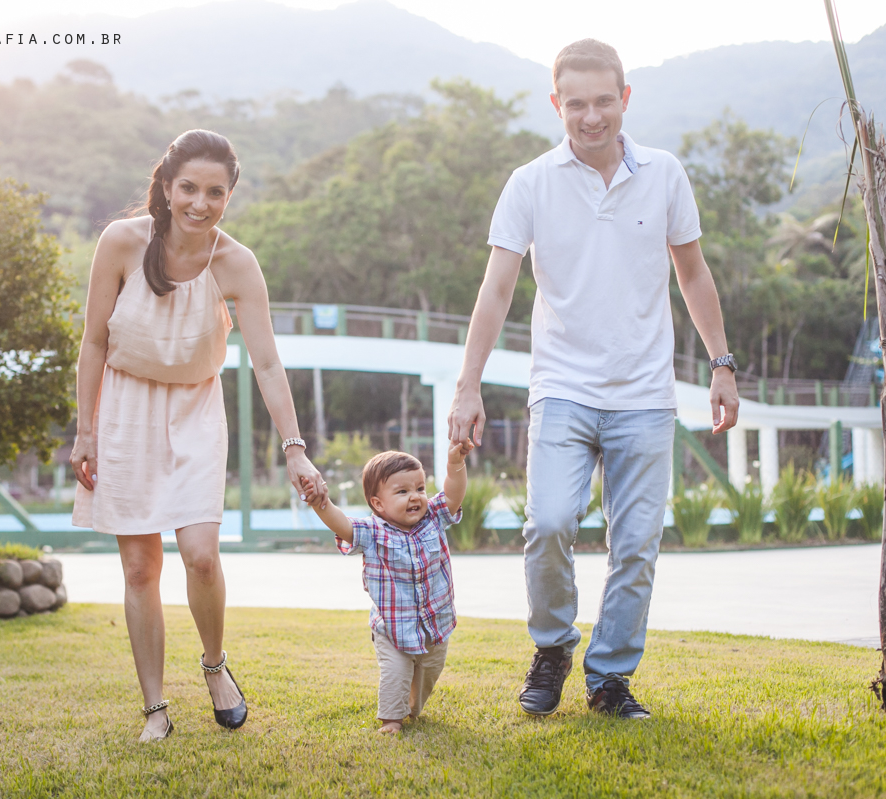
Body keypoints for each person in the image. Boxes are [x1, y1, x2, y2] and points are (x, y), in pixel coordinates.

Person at [447, 39, 739, 720]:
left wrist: (721, 365)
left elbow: (692, 274)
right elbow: (495, 292)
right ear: (557, 104)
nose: (590, 116)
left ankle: (610, 679)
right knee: (548, 523)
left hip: (645, 397)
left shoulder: (664, 173)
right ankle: (552, 648)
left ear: (625, 99)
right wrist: (468, 385)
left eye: (603, 101)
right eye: (575, 104)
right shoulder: (530, 183)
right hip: (562, 389)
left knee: (635, 546)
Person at [70, 129, 329, 742]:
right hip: (125, 408)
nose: (200, 203)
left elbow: (266, 362)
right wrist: (85, 430)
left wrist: (294, 449)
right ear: (165, 186)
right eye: (188, 188)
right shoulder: (122, 243)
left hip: (195, 407)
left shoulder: (236, 263)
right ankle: (155, 708)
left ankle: (215, 666)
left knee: (201, 555)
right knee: (139, 567)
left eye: (216, 192)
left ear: (229, 196)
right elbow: (94, 341)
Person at [300, 442, 470, 734]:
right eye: (402, 492)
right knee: (396, 673)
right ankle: (391, 720)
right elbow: (341, 525)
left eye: (419, 488)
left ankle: (412, 707)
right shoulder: (372, 532)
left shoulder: (433, 518)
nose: (415, 496)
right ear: (378, 504)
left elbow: (453, 495)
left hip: (436, 625)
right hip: (392, 628)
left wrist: (456, 464)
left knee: (427, 675)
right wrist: (320, 503)